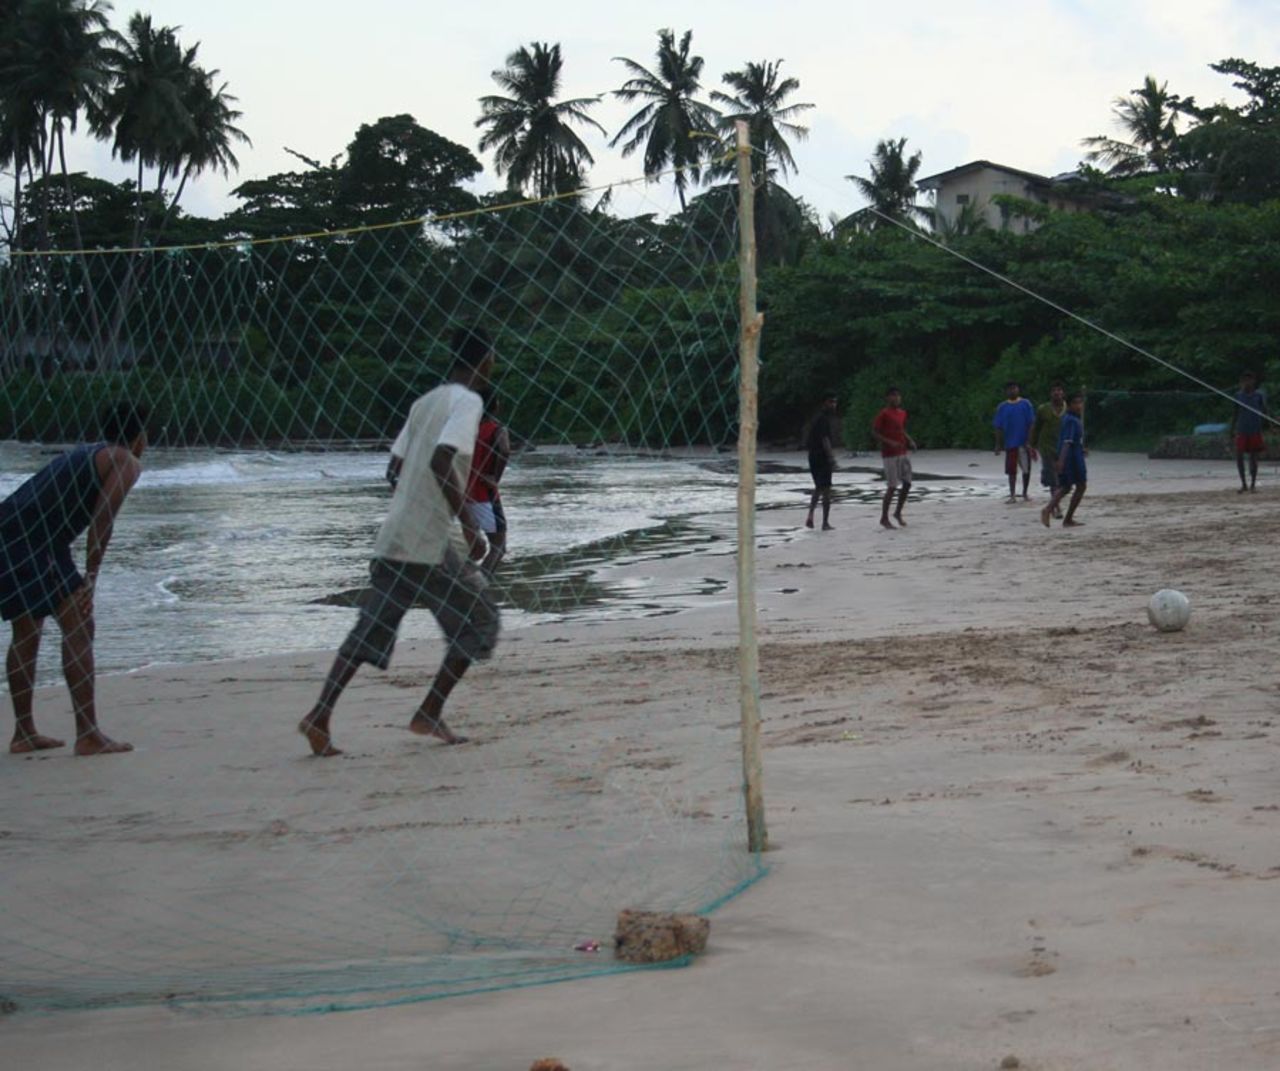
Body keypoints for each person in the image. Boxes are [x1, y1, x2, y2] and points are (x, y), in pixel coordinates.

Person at [300, 326, 500, 757]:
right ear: (485, 360)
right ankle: (429, 710)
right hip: (430, 543)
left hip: (395, 537)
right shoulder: (468, 402)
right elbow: (441, 458)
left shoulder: (423, 402)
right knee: (480, 621)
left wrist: (415, 506)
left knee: (369, 629)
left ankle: (320, 714)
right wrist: (467, 524)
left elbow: (394, 470)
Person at [2, 402, 147, 755]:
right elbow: (102, 520)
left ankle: (24, 733)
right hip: (34, 539)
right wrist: (91, 580)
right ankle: (88, 734)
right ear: (140, 436)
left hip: (11, 529)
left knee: (27, 630)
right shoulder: (125, 461)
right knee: (80, 625)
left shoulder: (92, 451)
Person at [465, 392, 511, 573]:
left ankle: (460, 583)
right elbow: (505, 450)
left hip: (460, 494)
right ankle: (479, 586)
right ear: (496, 406)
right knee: (498, 547)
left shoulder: (464, 429)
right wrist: (495, 477)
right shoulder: (496, 429)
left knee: (472, 549)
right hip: (485, 493)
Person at [871, 387, 916, 529]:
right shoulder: (884, 414)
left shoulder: (902, 413)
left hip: (902, 452)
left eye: (898, 396)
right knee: (892, 486)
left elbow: (901, 429)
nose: (896, 398)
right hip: (889, 454)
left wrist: (910, 440)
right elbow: (874, 432)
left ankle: (897, 512)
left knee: (907, 483)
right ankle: (884, 518)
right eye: (893, 396)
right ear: (888, 398)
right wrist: (889, 442)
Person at [1041, 392, 1087, 528]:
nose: (1079, 406)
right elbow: (1067, 442)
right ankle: (1052, 511)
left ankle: (1060, 515)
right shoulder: (1071, 420)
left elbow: (1071, 440)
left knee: (1067, 487)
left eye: (1080, 403)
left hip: (1073, 454)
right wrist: (1061, 461)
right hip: (1071, 458)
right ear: (1069, 405)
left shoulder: (1070, 418)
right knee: (1079, 486)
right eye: (1076, 403)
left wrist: (1081, 449)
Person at [993, 381, 1037, 502]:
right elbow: (998, 426)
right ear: (1006, 391)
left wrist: (1029, 441)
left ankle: (1025, 493)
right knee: (1011, 471)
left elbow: (1031, 423)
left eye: (1015, 388)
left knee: (1026, 469)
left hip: (1024, 443)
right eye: (1010, 389)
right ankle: (1012, 494)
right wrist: (998, 444)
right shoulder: (1002, 407)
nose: (1013, 391)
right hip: (1010, 443)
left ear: (1018, 389)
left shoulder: (1026, 404)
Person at [1030, 381, 1068, 518]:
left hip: (1064, 447)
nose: (1057, 393)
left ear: (1063, 393)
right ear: (1050, 393)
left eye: (1059, 390)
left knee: (1063, 479)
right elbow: (1036, 428)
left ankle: (1054, 504)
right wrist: (1032, 445)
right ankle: (1056, 507)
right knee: (1053, 479)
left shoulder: (1069, 409)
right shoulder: (1043, 409)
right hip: (1047, 447)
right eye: (1054, 390)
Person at [804, 394, 839, 530]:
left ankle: (811, 515)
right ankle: (825, 522)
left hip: (812, 456)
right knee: (826, 490)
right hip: (822, 457)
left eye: (835, 402)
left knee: (819, 487)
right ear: (825, 403)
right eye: (831, 402)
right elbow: (825, 440)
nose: (834, 405)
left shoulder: (817, 418)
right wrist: (831, 458)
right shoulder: (823, 419)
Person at [1230, 371, 1268, 493]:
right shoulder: (1238, 396)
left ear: (1253, 381)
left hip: (1255, 430)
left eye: (1249, 380)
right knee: (1239, 456)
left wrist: (1270, 426)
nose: (1247, 383)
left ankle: (1252, 485)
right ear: (1241, 382)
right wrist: (1232, 430)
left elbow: (1265, 412)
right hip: (1242, 430)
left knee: (1253, 457)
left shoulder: (1258, 396)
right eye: (1244, 380)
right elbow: (1235, 414)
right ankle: (1243, 484)